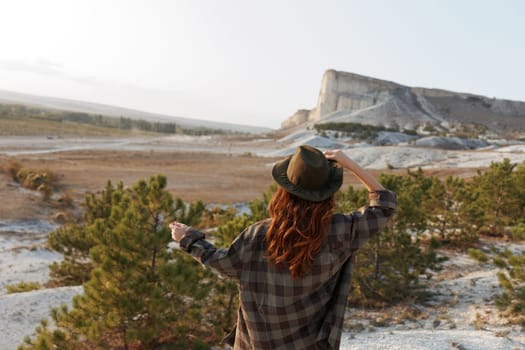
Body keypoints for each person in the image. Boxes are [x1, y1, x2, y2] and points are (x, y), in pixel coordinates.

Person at [170, 145, 396, 349]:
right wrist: (349, 163)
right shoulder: (341, 231)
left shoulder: (258, 234)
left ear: (283, 192)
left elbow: (220, 262)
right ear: (327, 194)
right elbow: (384, 204)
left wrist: (188, 238)